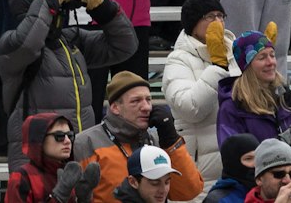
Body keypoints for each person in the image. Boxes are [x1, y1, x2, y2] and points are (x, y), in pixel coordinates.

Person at [0, 0, 140, 169]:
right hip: (37, 164)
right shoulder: (9, 45)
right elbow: (28, 42)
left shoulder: (70, 41)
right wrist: (47, 1)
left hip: (82, 156)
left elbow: (125, 46)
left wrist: (102, 8)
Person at [73, 72, 204, 203]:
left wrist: (171, 141)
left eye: (148, 99)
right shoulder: (86, 142)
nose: (146, 107)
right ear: (115, 107)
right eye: (136, 101)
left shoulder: (156, 139)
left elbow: (189, 191)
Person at [214, 28, 291, 172]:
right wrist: (286, 140)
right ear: (246, 66)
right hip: (254, 193)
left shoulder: (287, 101)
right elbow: (237, 164)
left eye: (272, 55)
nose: (271, 62)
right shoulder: (232, 107)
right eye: (262, 57)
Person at [161, 0, 229, 178]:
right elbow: (190, 108)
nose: (218, 22)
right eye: (210, 16)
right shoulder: (178, 59)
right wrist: (218, 69)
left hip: (235, 158)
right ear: (193, 23)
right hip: (201, 166)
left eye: (221, 16)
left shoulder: (234, 52)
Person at [8, 113, 96, 203]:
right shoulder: (22, 177)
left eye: (70, 135)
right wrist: (59, 196)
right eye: (59, 136)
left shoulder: (72, 173)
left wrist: (85, 199)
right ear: (40, 139)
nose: (67, 141)